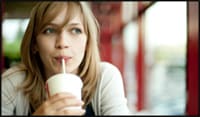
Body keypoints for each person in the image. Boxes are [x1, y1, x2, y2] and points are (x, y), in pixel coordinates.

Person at [1, 1, 131, 115]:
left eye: (75, 30)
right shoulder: (12, 83)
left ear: (87, 42)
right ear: (35, 43)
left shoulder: (104, 77)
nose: (62, 43)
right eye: (49, 31)